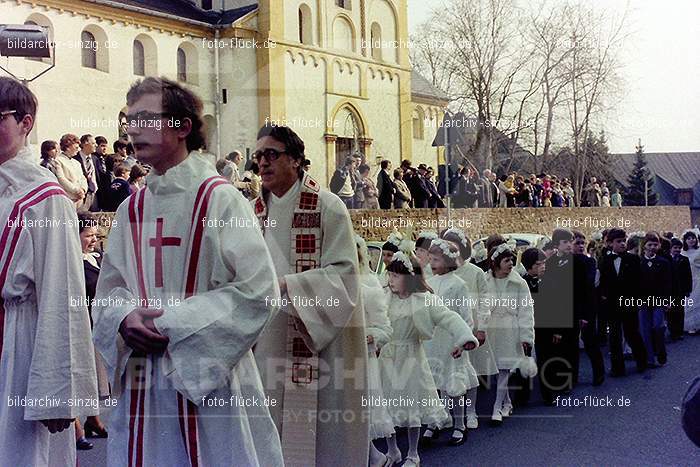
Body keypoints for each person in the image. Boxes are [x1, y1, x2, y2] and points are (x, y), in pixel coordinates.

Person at [92, 77, 283, 466]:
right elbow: (109, 289)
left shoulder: (221, 199)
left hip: (208, 376)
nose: (132, 130)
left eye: (146, 118)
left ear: (182, 127)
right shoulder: (132, 208)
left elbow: (259, 291)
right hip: (143, 379)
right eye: (129, 120)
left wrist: (174, 322)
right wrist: (124, 317)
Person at [251, 123, 368, 466]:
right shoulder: (250, 210)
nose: (262, 163)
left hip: (317, 336)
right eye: (258, 156)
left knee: (322, 438)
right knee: (267, 427)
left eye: (271, 154)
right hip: (266, 336)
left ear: (297, 160)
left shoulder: (328, 207)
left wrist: (290, 284)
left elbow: (345, 275)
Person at [0, 76, 98, 467]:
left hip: (18, 346)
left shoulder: (46, 198)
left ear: (26, 124)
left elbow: (63, 295)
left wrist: (57, 392)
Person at [380, 253, 477, 467]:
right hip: (386, 358)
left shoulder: (424, 300)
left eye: (396, 276)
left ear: (409, 277)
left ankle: (413, 454)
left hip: (411, 357)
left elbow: (448, 317)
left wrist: (465, 337)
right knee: (386, 406)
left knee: (411, 405)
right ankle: (393, 449)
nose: (391, 280)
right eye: (390, 275)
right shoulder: (384, 297)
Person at [422, 240, 480, 447]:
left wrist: (461, 342)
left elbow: (466, 317)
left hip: (451, 340)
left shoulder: (458, 285)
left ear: (448, 261)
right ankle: (435, 421)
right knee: (435, 384)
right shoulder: (430, 282)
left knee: (454, 384)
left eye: (436, 259)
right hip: (433, 340)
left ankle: (459, 425)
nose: (432, 263)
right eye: (430, 259)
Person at [441, 228, 497, 427]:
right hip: (446, 330)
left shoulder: (475, 272)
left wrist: (481, 327)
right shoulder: (439, 271)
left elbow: (485, 301)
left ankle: (471, 412)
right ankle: (448, 413)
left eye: (454, 247)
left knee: (469, 373)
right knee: (448, 373)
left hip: (469, 327)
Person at [483, 241, 534, 424]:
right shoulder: (485, 280)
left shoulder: (519, 283)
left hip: (510, 329)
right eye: (506, 260)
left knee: (504, 369)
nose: (511, 263)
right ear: (496, 263)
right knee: (497, 370)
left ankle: (497, 407)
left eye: (512, 260)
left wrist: (526, 337)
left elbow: (526, 311)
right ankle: (507, 403)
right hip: (491, 329)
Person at [355, 236, 394, 467]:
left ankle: (381, 454)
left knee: (364, 407)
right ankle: (371, 456)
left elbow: (384, 328)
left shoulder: (369, 287)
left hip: (364, 356)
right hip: (338, 355)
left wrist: (373, 337)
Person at [77, 212, 110, 444]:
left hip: (98, 322)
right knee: (79, 374)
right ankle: (76, 427)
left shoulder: (96, 258)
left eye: (96, 235)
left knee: (93, 374)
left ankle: (92, 419)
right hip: (81, 323)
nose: (94, 240)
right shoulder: (72, 262)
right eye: (88, 235)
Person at [599, 228, 648, 376]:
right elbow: (602, 281)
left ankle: (642, 362)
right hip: (612, 304)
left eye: (623, 241)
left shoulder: (633, 259)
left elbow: (640, 281)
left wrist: (639, 300)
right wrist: (603, 296)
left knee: (632, 333)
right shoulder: (605, 260)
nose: (622, 244)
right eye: (618, 241)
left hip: (629, 302)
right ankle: (617, 368)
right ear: (610, 243)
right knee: (614, 336)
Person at [638, 232, 672, 366]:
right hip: (642, 300)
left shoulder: (663, 262)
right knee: (645, 329)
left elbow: (667, 283)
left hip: (659, 299)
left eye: (655, 244)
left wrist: (667, 300)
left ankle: (661, 351)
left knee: (658, 326)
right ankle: (649, 358)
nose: (652, 247)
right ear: (644, 245)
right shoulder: (639, 262)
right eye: (650, 244)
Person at [520, 248, 546, 404]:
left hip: (545, 327)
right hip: (528, 324)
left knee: (545, 359)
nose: (542, 266)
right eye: (538, 264)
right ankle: (523, 395)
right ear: (529, 266)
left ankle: (547, 394)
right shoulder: (522, 283)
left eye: (544, 263)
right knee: (525, 359)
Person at [669, 237, 693, 340]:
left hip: (681, 289)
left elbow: (688, 275)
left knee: (680, 311)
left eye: (679, 248)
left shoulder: (684, 259)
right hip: (670, 290)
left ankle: (679, 331)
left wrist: (688, 289)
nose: (677, 250)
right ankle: (672, 331)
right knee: (671, 312)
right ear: (670, 248)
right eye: (675, 247)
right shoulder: (667, 259)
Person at [55, 133, 88, 208]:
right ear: (68, 146)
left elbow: (83, 178)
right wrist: (76, 190)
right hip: (67, 198)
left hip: (79, 199)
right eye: (76, 146)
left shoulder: (76, 162)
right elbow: (61, 179)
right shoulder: (58, 160)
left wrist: (83, 189)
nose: (78, 149)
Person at [74, 134, 101, 211]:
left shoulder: (95, 159)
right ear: (85, 144)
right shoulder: (75, 159)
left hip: (95, 194)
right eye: (93, 143)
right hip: (82, 195)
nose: (96, 145)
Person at [681, 229, 700, 334]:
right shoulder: (682, 252)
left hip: (699, 279)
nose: (691, 240)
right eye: (688, 238)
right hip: (688, 281)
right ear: (685, 240)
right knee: (689, 302)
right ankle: (691, 325)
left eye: (693, 238)